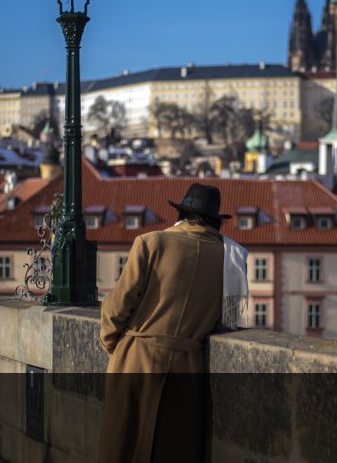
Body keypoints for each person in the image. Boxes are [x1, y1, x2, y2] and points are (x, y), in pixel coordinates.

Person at [97, 183, 235, 463]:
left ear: (181, 214)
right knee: (172, 448)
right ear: (214, 221)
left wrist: (116, 347)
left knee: (123, 446)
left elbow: (117, 305)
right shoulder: (228, 258)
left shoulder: (151, 242)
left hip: (138, 357)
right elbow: (227, 316)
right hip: (188, 366)